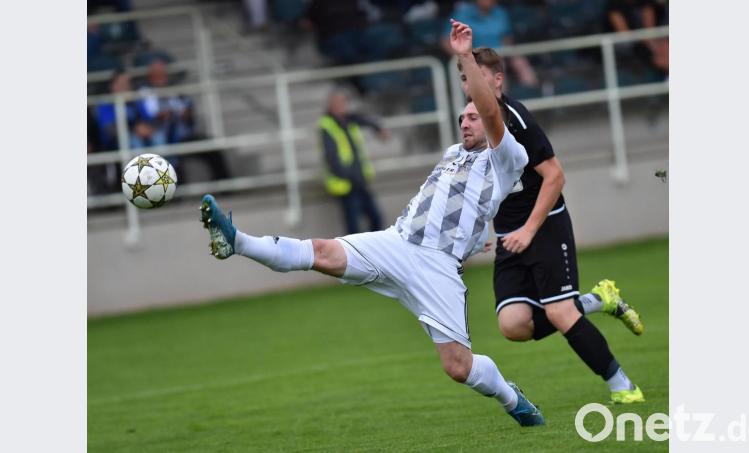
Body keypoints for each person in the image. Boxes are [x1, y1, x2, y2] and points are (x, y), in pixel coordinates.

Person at [199, 20, 545, 427]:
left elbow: (489, 111)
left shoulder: (508, 157)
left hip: (437, 267)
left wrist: (465, 57)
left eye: (474, 117)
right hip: (397, 243)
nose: (467, 122)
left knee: (458, 367)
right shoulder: (454, 152)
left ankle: (512, 399)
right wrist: (476, 236)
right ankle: (235, 241)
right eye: (462, 117)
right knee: (322, 252)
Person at [456, 47, 646, 403]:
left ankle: (623, 386)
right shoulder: (475, 131)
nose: (470, 86)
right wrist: (483, 232)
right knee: (513, 326)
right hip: (510, 237)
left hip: (543, 228)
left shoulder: (515, 121)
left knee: (559, 312)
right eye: (465, 78)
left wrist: (529, 230)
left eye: (475, 76)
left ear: (497, 81)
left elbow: (555, 176)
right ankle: (597, 299)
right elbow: (487, 190)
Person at [319, 89, 387, 235]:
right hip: (346, 184)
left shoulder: (349, 119)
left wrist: (378, 128)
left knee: (376, 217)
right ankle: (355, 256)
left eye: (344, 103)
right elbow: (332, 159)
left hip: (359, 179)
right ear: (331, 106)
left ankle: (375, 249)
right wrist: (348, 175)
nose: (343, 106)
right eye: (338, 103)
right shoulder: (327, 125)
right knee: (353, 225)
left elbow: (366, 120)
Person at [440, 0, 537, 87]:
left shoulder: (501, 12)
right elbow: (445, 41)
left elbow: (507, 38)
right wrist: (465, 58)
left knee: (520, 61)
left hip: (499, 53)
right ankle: (500, 103)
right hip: (475, 56)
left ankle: (533, 94)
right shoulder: (462, 14)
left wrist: (509, 52)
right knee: (496, 67)